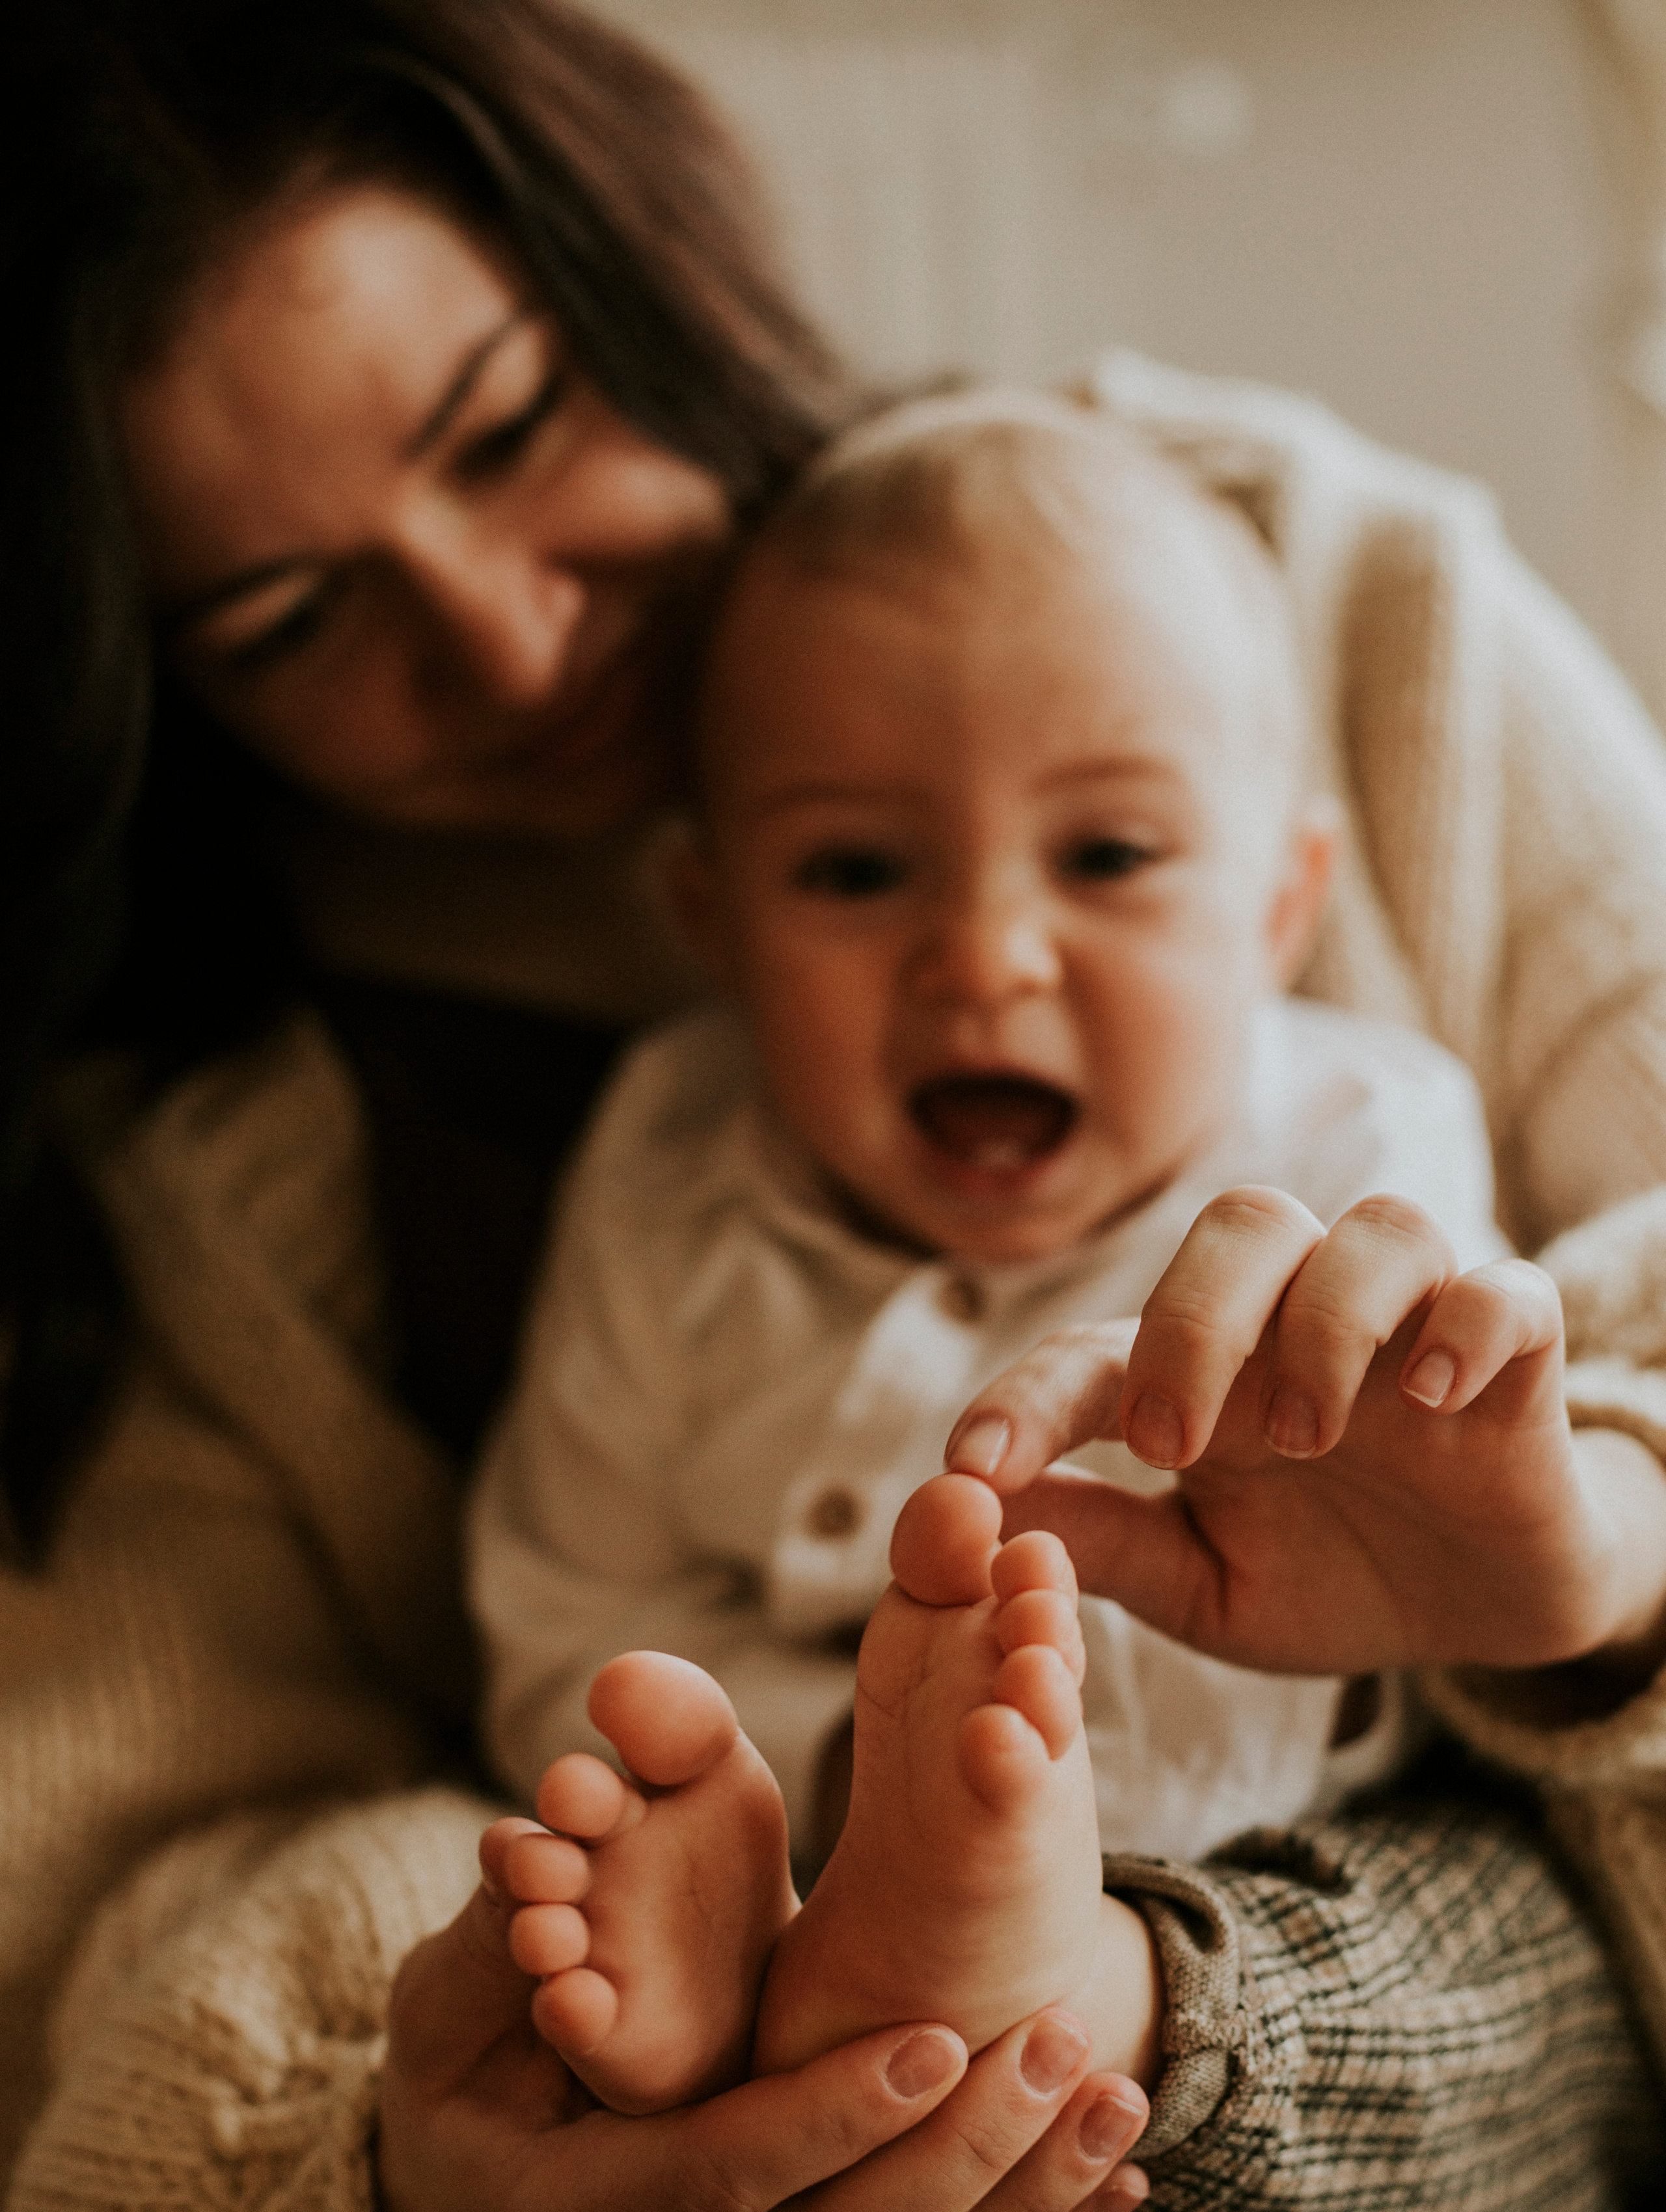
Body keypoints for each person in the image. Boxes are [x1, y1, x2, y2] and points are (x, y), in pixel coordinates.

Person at [2, 0, 1666, 2212]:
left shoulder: (1318, 604)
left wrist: (1601, 1558)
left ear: (648, 265)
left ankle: (1064, 2001)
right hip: (758, 1981)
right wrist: (500, 2146)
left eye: (510, 429)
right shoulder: (202, 1151)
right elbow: (161, 1897)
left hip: (1432, 1889)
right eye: (290, 622)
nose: (514, 639)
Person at [467, 389, 1509, 2120]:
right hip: (808, 1823)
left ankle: (960, 2001)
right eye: (855, 870)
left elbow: (1399, 1616)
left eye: (1107, 854)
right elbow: (565, 1593)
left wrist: (1018, 1841)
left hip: (1246, 1876)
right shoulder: (669, 1168)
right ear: (711, 921)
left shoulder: (1358, 1159)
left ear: (1279, 906)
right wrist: (805, 1790)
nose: (986, 955)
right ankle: (774, 1988)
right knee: (608, 1799)